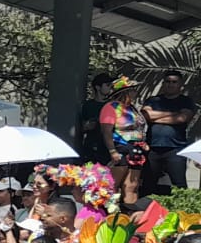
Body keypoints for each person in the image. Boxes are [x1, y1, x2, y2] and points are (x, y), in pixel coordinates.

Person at [142, 69, 197, 192]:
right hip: (152, 149)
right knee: (148, 184)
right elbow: (146, 115)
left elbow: (182, 118)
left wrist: (155, 117)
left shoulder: (185, 101)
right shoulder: (153, 100)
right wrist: (173, 115)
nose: (170, 84)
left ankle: (183, 211)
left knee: (179, 185)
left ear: (180, 85)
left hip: (175, 149)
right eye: (167, 81)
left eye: (174, 82)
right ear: (163, 83)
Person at [101, 76, 149, 204]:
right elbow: (106, 131)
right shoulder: (111, 107)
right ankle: (110, 215)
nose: (135, 92)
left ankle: (131, 214)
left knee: (132, 186)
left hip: (136, 149)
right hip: (120, 147)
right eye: (132, 90)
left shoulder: (132, 108)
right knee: (113, 186)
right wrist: (112, 151)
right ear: (124, 92)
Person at [79, 72, 115, 164]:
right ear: (98, 87)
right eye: (107, 85)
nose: (110, 88)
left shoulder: (113, 105)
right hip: (92, 145)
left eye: (111, 85)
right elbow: (82, 126)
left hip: (108, 145)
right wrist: (88, 125)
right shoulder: (88, 105)